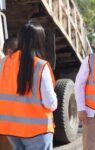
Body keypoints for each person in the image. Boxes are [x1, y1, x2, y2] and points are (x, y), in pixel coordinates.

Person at [0, 21, 57, 150]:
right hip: (37, 131)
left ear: (20, 39)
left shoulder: (3, 63)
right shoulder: (40, 66)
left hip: (11, 129)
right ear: (39, 40)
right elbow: (50, 103)